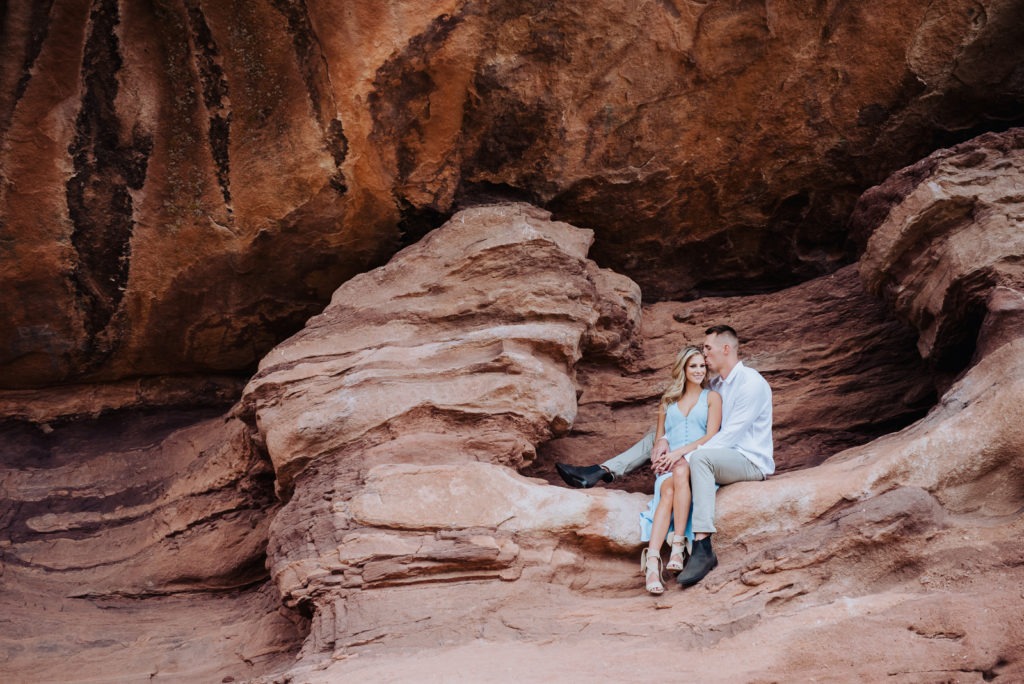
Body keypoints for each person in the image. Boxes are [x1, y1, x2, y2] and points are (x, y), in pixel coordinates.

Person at [556, 324, 774, 587]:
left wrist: (682, 456)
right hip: (721, 453)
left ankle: (702, 546)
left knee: (699, 459)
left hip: (746, 460)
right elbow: (690, 426)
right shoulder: (717, 384)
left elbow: (728, 437)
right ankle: (600, 471)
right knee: (660, 435)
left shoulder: (750, 383)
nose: (703, 356)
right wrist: (664, 442)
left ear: (725, 349)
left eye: (707, 349)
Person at [639, 346, 721, 594]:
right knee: (667, 493)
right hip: (669, 467)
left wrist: (678, 453)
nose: (698, 370)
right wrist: (661, 445)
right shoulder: (667, 400)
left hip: (696, 464)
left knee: (682, 467)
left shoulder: (712, 397)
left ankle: (674, 548)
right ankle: (655, 562)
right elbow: (660, 436)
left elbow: (711, 435)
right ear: (683, 370)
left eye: (702, 366)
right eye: (693, 366)